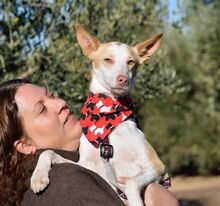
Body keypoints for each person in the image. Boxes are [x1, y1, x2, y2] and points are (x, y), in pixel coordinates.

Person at [0, 79, 179, 206]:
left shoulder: (58, 176)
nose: (60, 103)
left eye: (51, 96)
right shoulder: (67, 186)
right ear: (25, 145)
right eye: (42, 109)